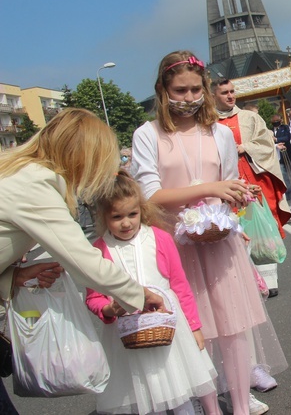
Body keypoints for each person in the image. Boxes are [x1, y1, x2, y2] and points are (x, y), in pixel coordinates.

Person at [131, 50, 287, 415]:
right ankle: (209, 408)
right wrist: (210, 190)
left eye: (194, 90)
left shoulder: (218, 133)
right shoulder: (147, 134)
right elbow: (150, 194)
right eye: (179, 90)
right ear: (162, 89)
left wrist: (236, 200)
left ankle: (239, 405)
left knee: (233, 329)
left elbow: (228, 184)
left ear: (205, 89)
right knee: (194, 331)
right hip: (174, 246)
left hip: (220, 242)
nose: (188, 98)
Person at [0, 108, 167, 413]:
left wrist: (15, 276)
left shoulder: (18, 171)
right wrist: (140, 295)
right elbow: (82, 259)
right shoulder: (36, 183)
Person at [86, 172, 220, 415]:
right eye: (116, 217)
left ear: (141, 210)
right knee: (144, 399)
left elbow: (180, 286)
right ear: (103, 217)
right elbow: (93, 296)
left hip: (170, 332)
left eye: (132, 214)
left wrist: (194, 326)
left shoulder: (159, 238)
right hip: (125, 338)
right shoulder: (98, 250)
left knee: (180, 394)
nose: (126, 223)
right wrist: (107, 309)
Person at [212, 79, 291, 236]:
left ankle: (267, 247)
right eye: (224, 93)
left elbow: (266, 143)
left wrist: (244, 147)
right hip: (226, 179)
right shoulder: (208, 121)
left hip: (253, 174)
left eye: (232, 91)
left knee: (263, 224)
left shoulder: (249, 117)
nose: (230, 96)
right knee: (234, 222)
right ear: (213, 96)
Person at [270, 113, 291, 203]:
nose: (275, 123)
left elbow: (287, 137)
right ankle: (288, 193)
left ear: (280, 121)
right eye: (274, 121)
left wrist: (276, 139)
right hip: (278, 156)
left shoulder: (285, 128)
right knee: (284, 175)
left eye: (277, 121)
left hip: (287, 154)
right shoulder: (270, 130)